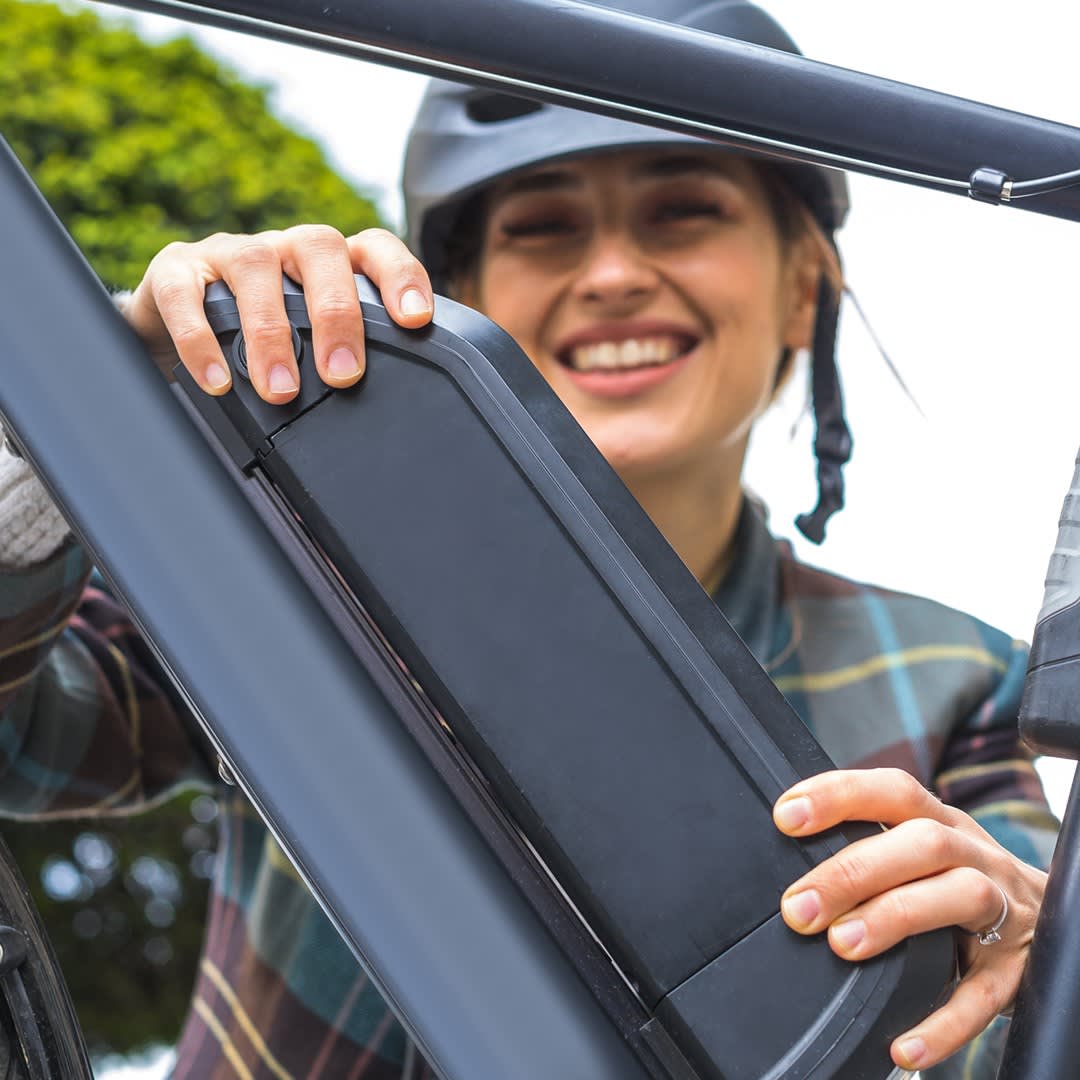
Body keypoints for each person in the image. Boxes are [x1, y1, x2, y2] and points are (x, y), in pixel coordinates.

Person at [0, 0, 1057, 1077]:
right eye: (543, 227)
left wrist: (1023, 939)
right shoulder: (299, 569)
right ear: (458, 297)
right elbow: (23, 736)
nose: (610, 275)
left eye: (684, 212)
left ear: (803, 288)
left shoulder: (960, 682)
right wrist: (71, 427)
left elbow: (1007, 991)